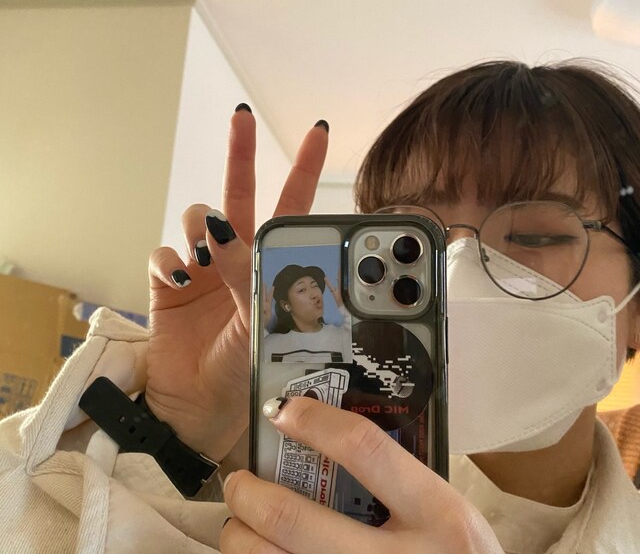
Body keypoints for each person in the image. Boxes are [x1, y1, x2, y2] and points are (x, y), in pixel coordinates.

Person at [1, 62, 640, 553]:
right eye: (411, 246)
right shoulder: (273, 471)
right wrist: (165, 437)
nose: (458, 271)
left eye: (535, 235)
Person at [264, 264, 352, 363]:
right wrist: (260, 325)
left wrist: (346, 308)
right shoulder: (272, 344)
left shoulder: (340, 337)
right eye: (302, 290)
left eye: (315, 286)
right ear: (286, 305)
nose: (314, 295)